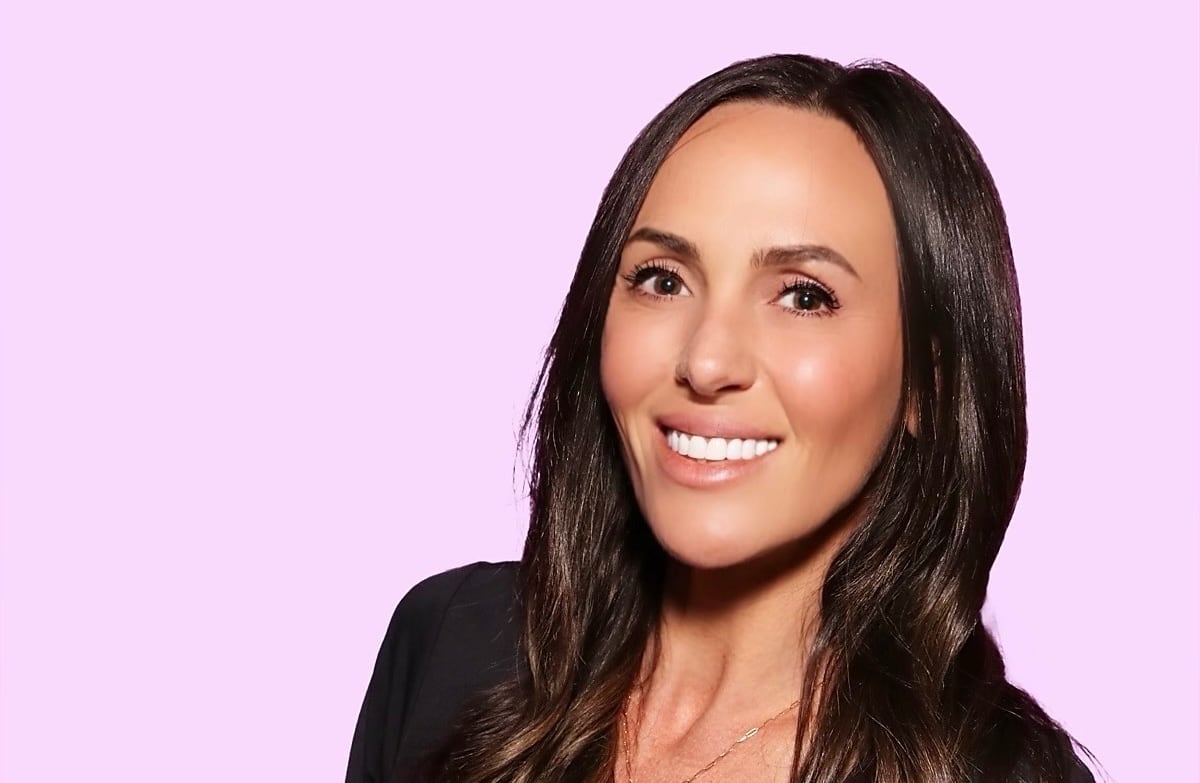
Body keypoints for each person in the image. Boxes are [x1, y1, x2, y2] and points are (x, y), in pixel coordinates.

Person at [345, 53, 1097, 783]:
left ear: (925, 386)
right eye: (662, 279)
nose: (706, 362)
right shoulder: (451, 644)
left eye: (804, 295)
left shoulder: (993, 771)